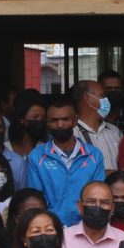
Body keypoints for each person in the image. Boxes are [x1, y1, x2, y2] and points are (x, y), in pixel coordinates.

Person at [26, 96, 107, 227]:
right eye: (54, 120)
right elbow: (36, 200)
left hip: (86, 228)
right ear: (47, 123)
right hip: (51, 229)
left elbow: (98, 196)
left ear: (75, 120)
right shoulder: (37, 156)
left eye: (65, 119)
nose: (60, 125)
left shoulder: (94, 155)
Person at [72, 79, 122, 170]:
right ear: (87, 98)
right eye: (102, 96)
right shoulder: (72, 134)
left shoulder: (115, 131)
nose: (107, 100)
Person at [7, 91, 48, 160]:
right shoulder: (5, 149)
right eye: (35, 117)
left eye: (43, 118)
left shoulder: (46, 149)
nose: (40, 121)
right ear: (21, 119)